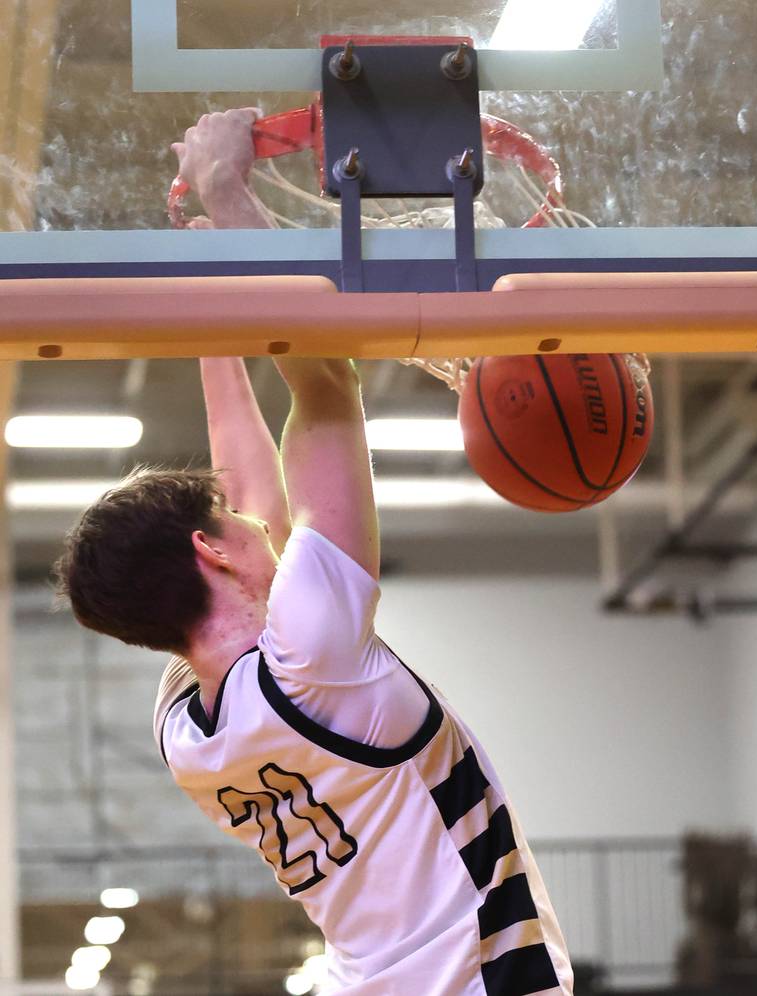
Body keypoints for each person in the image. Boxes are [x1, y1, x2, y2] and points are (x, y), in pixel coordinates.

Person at [55, 108, 574, 996]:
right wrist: (227, 192)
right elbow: (325, 378)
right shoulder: (311, 655)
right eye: (232, 520)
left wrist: (219, 304)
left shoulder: (191, 727)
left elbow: (248, 491)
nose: (258, 520)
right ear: (211, 553)